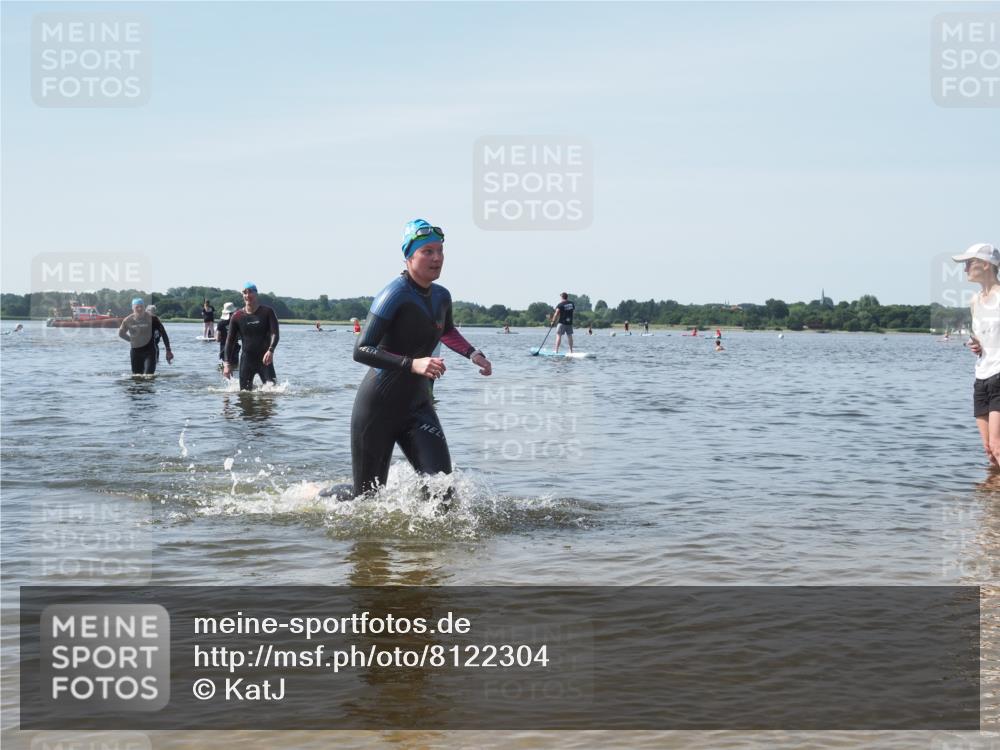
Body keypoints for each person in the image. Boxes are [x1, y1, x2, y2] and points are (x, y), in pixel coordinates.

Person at [350, 218, 492, 500]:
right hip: (377, 409)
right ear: (409, 256)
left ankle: (432, 545)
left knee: (443, 492)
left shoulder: (441, 296)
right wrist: (411, 364)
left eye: (440, 251)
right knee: (366, 500)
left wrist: (472, 353)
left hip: (418, 406)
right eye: (427, 251)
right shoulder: (393, 295)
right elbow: (361, 349)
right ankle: (319, 496)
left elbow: (446, 330)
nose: (437, 258)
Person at [956, 242, 1000, 469]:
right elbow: (983, 338)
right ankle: (992, 502)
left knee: (998, 445)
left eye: (968, 263)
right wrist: (977, 345)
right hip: (982, 377)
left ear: (985, 264)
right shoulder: (975, 302)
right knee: (990, 451)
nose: (964, 270)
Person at [224, 283, 279, 390]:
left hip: (265, 360)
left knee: (272, 393)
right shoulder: (237, 316)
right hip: (247, 360)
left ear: (256, 294)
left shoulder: (267, 312)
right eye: (245, 292)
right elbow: (229, 342)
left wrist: (271, 350)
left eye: (250, 292)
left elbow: (275, 334)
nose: (247, 295)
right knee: (244, 395)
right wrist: (226, 364)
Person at [118, 298, 173, 374]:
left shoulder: (153, 319)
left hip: (150, 352)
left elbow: (163, 334)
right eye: (137, 307)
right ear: (132, 308)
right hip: (135, 352)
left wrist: (168, 350)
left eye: (141, 306)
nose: (140, 309)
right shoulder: (128, 320)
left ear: (144, 307)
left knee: (148, 376)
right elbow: (121, 334)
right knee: (136, 377)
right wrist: (132, 340)